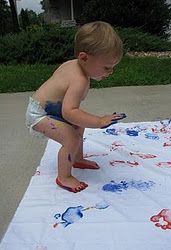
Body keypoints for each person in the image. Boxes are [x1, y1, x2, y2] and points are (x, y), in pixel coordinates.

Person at [25, 21, 123, 193]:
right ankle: (64, 176)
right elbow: (69, 112)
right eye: (107, 67)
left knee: (79, 126)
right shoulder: (79, 80)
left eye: (113, 67)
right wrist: (99, 121)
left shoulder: (74, 65)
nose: (110, 72)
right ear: (84, 58)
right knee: (71, 138)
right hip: (39, 114)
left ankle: (77, 159)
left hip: (50, 109)